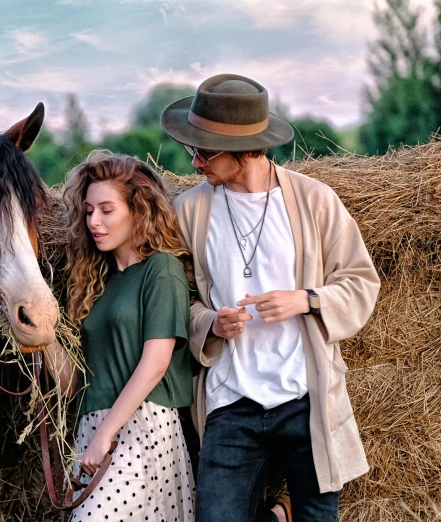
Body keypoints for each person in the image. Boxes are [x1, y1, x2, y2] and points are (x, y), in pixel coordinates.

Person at [160, 74, 381, 522]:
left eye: (205, 151)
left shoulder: (314, 200)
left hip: (306, 399)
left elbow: (361, 281)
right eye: (192, 150)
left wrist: (306, 299)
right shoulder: (189, 210)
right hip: (230, 403)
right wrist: (210, 324)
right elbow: (174, 298)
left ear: (245, 152)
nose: (196, 162)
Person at [60, 150, 196, 521]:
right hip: (93, 427)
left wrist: (106, 433)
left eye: (107, 209)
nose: (94, 221)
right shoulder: (95, 283)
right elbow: (77, 381)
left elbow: (156, 363)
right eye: (88, 211)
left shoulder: (161, 270)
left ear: (138, 210)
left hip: (143, 428)